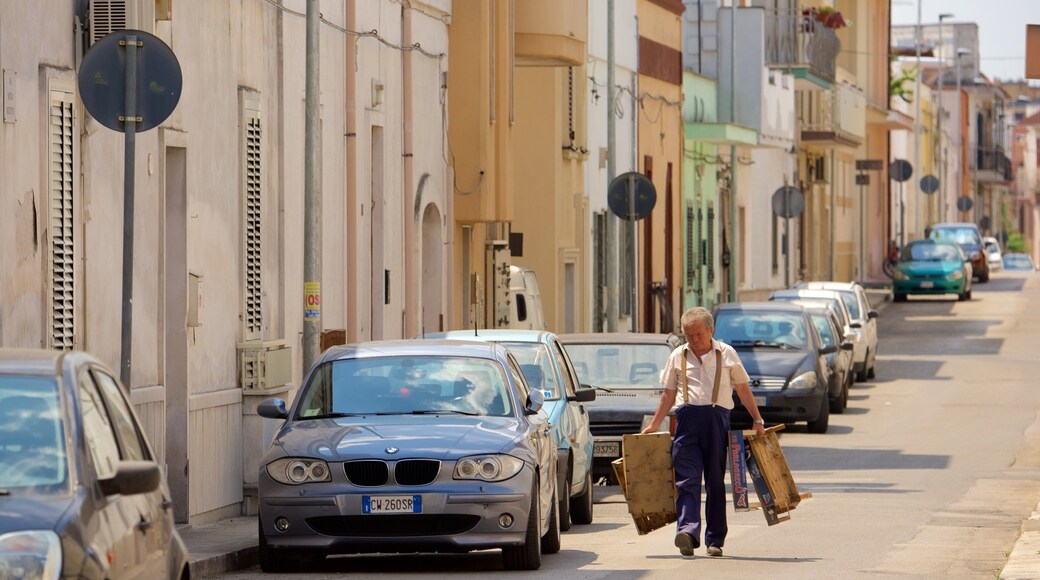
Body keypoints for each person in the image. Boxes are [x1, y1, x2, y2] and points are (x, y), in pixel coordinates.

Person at [641, 306, 766, 558]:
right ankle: (687, 532)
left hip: (717, 420)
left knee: (715, 482)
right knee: (686, 479)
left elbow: (742, 389)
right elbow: (667, 394)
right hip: (686, 421)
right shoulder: (678, 355)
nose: (694, 340)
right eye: (689, 335)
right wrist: (655, 424)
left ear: (711, 330)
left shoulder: (727, 354)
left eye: (698, 334)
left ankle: (715, 539)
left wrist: (757, 419)